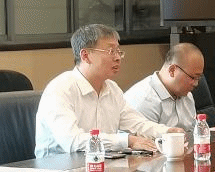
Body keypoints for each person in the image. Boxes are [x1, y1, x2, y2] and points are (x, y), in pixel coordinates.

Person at [35, 24, 182, 158]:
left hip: (101, 165)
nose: (118, 58)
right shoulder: (60, 89)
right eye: (111, 51)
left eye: (118, 51)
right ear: (85, 56)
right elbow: (73, 142)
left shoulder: (112, 89)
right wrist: (127, 141)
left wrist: (167, 132)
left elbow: (136, 124)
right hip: (59, 169)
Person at [124, 42, 205, 133]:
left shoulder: (187, 95)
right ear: (172, 70)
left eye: (198, 78)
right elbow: (143, 140)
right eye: (193, 77)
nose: (196, 83)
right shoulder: (144, 100)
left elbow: (193, 135)